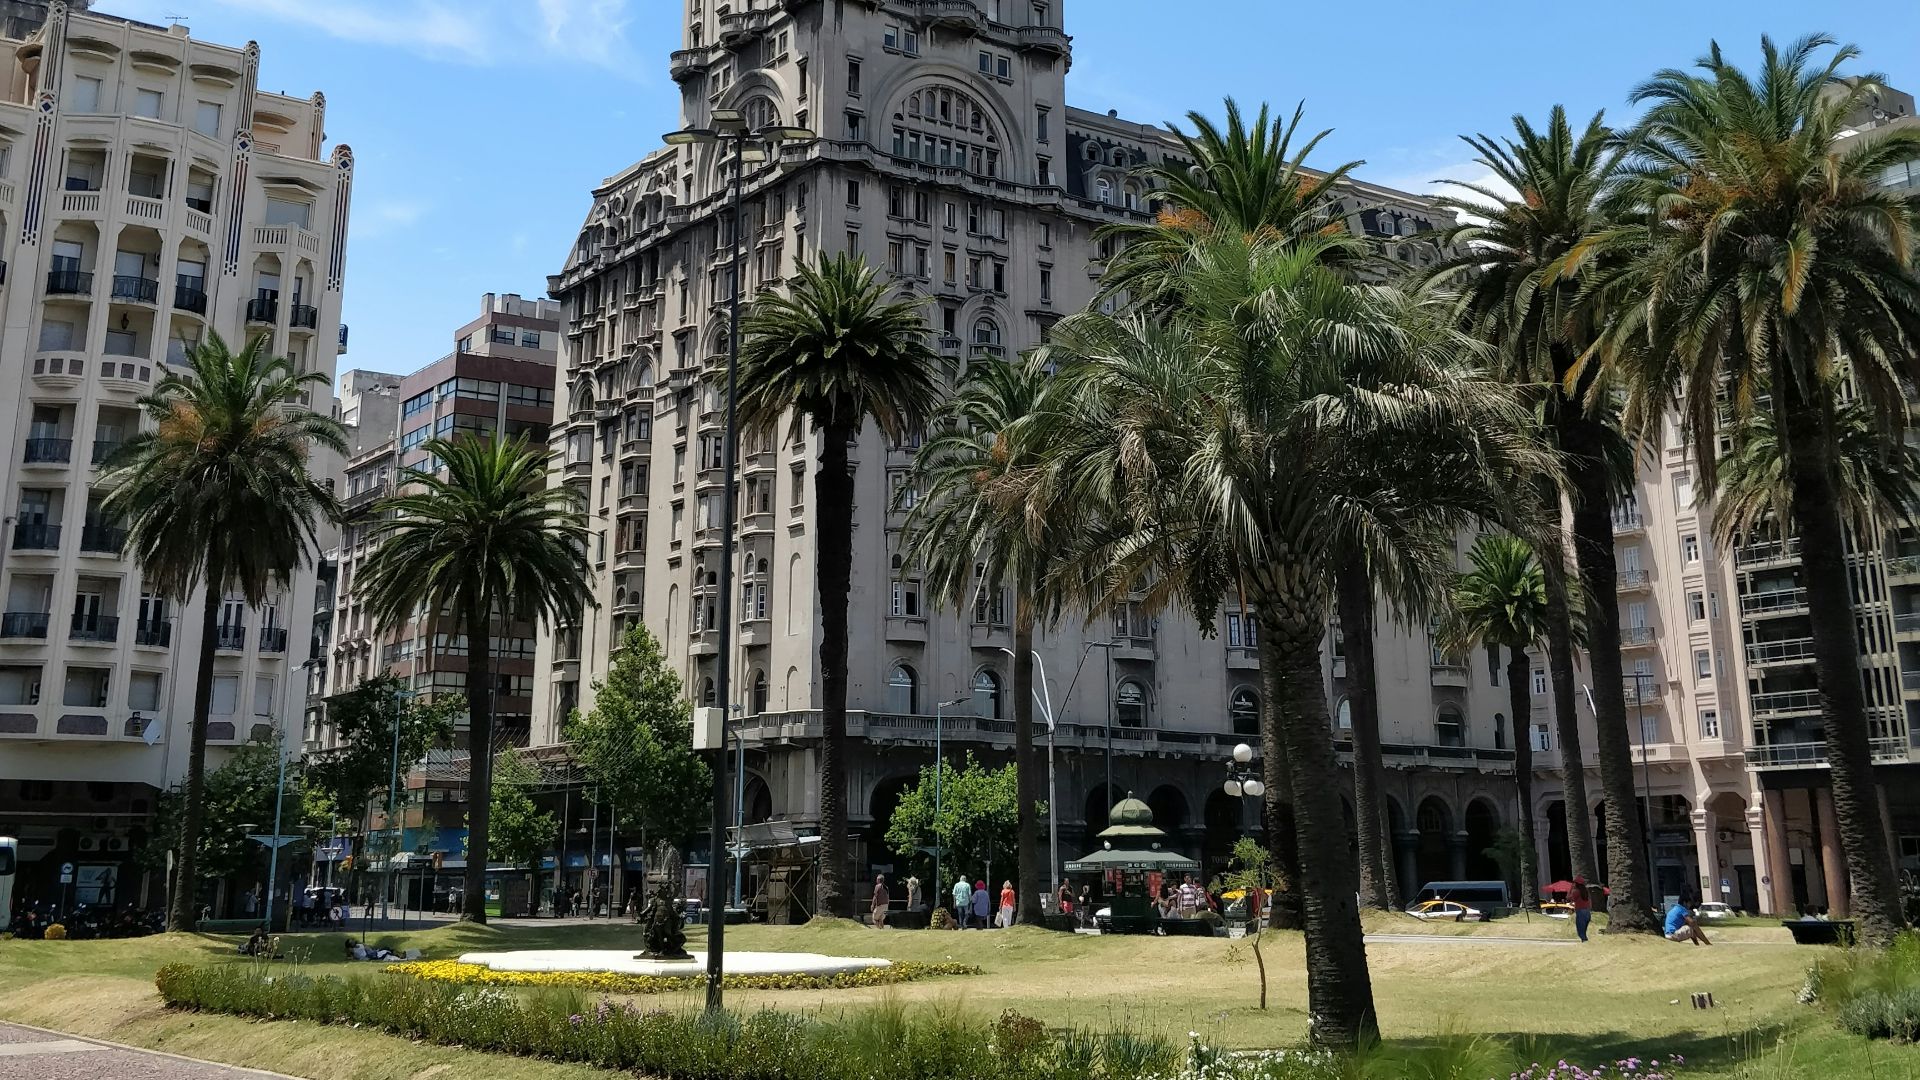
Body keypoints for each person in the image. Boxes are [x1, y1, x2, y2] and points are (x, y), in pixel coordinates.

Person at [1571, 875, 1593, 943]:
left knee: (1580, 930)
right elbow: (1590, 901)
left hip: (1580, 912)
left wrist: (1571, 889)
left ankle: (1585, 941)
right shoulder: (1586, 891)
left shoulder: (1576, 891)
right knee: (1584, 930)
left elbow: (1570, 898)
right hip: (1587, 912)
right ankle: (1585, 941)